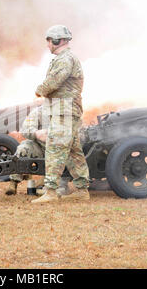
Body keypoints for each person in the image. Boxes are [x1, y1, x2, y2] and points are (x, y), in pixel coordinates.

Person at [32, 25, 91, 203]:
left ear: (57, 41)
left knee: (55, 148)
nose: (48, 44)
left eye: (49, 41)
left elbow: (54, 81)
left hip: (64, 111)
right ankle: (82, 189)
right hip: (65, 110)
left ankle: (50, 191)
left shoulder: (65, 59)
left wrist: (39, 90)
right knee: (73, 152)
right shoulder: (65, 58)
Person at [6, 105, 70, 196]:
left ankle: (57, 184)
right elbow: (25, 129)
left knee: (71, 152)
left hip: (60, 150)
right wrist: (36, 133)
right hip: (40, 147)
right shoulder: (38, 112)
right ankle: (13, 182)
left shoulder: (67, 113)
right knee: (23, 148)